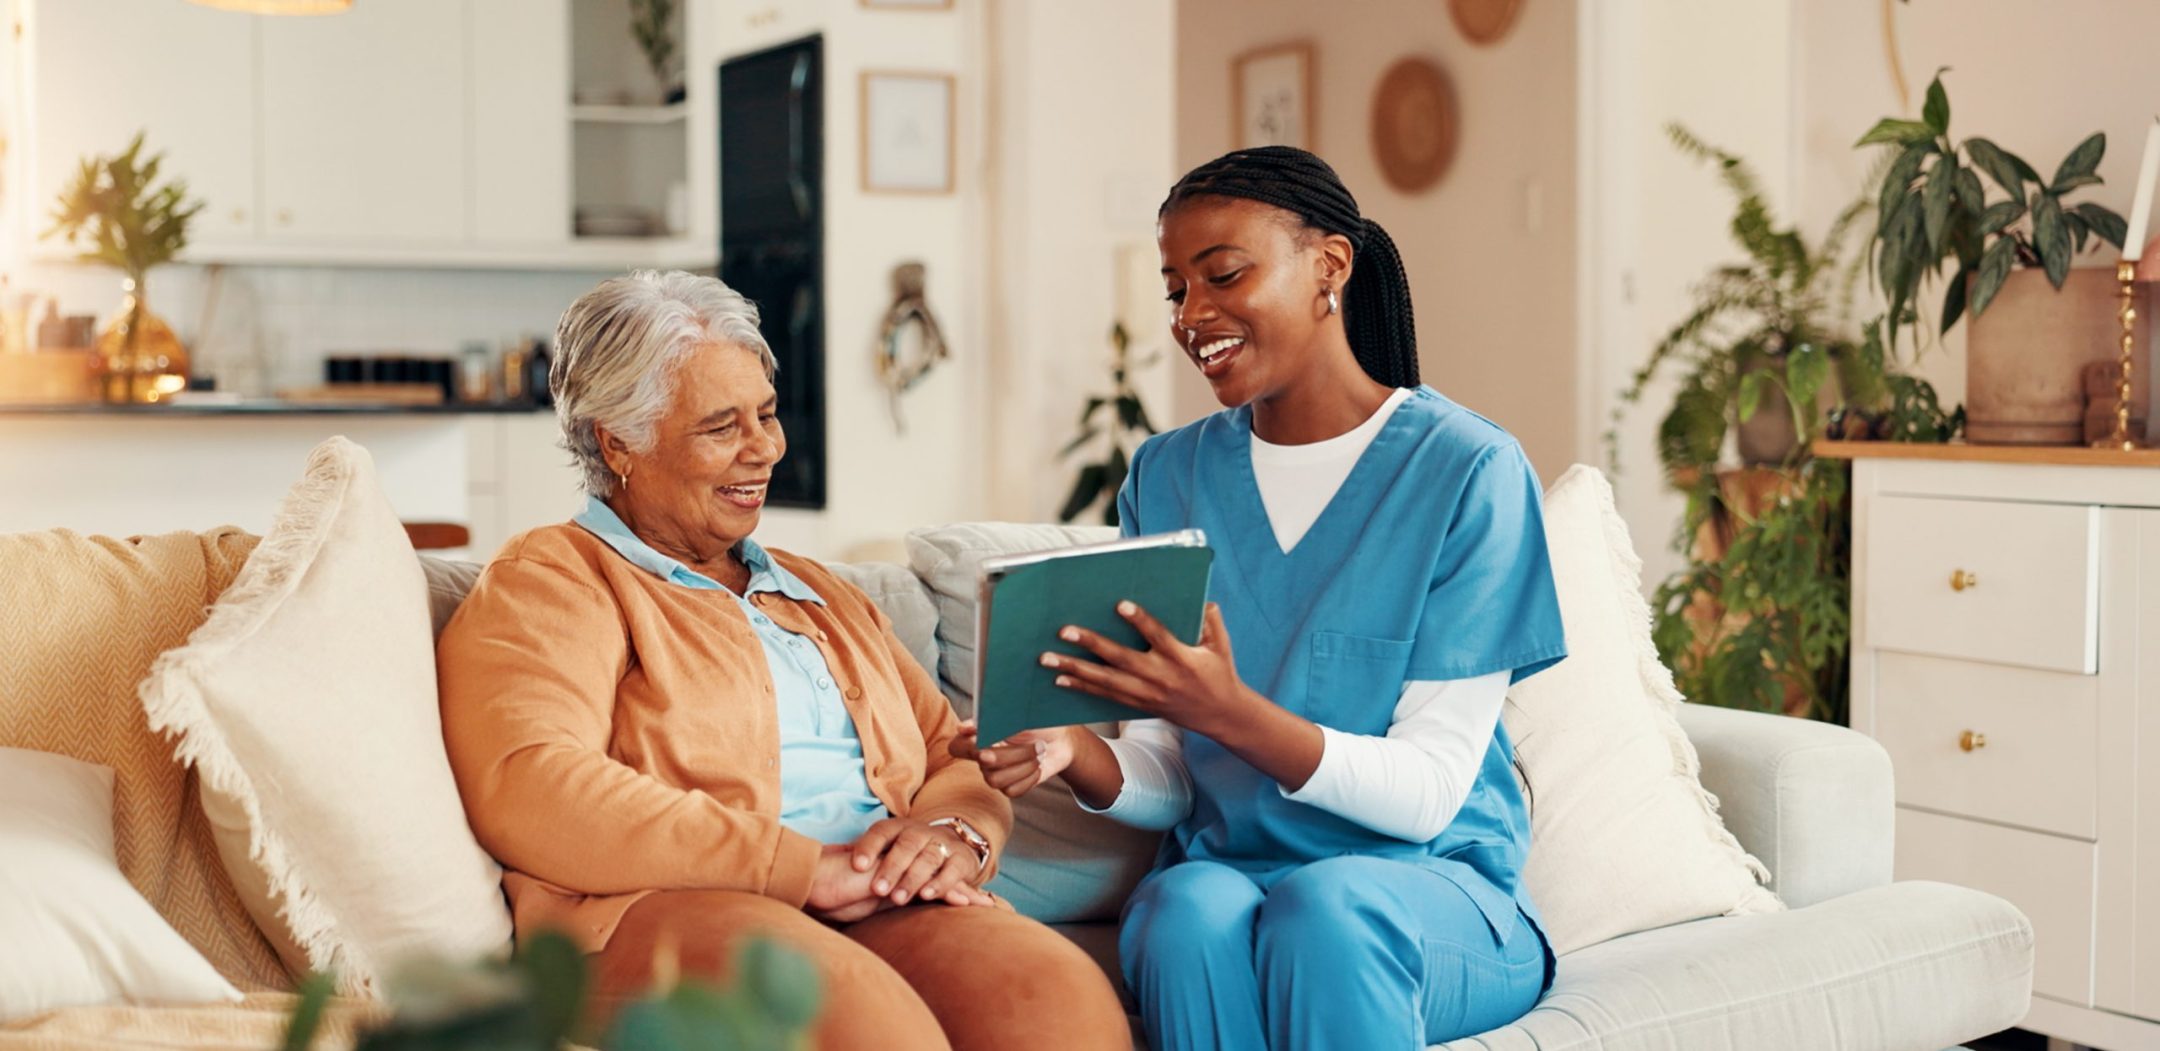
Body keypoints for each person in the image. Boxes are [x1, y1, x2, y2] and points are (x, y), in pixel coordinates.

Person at [956, 147, 1568, 1051]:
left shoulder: (1468, 470)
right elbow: (1172, 772)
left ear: (1330, 267)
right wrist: (1077, 751)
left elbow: (1434, 792)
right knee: (1181, 907)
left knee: (1327, 909)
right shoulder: (1166, 475)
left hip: (1428, 889)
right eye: (1176, 290)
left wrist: (1233, 712)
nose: (1193, 316)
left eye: (1224, 275)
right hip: (1238, 874)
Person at [437, 270, 1129, 1051]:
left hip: (877, 897)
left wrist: (954, 834)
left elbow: (949, 749)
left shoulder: (817, 589)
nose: (765, 448)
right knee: (869, 1027)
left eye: (765, 415)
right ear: (618, 440)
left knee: (1055, 998)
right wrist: (800, 867)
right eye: (721, 426)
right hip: (664, 907)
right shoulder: (559, 574)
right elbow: (528, 782)